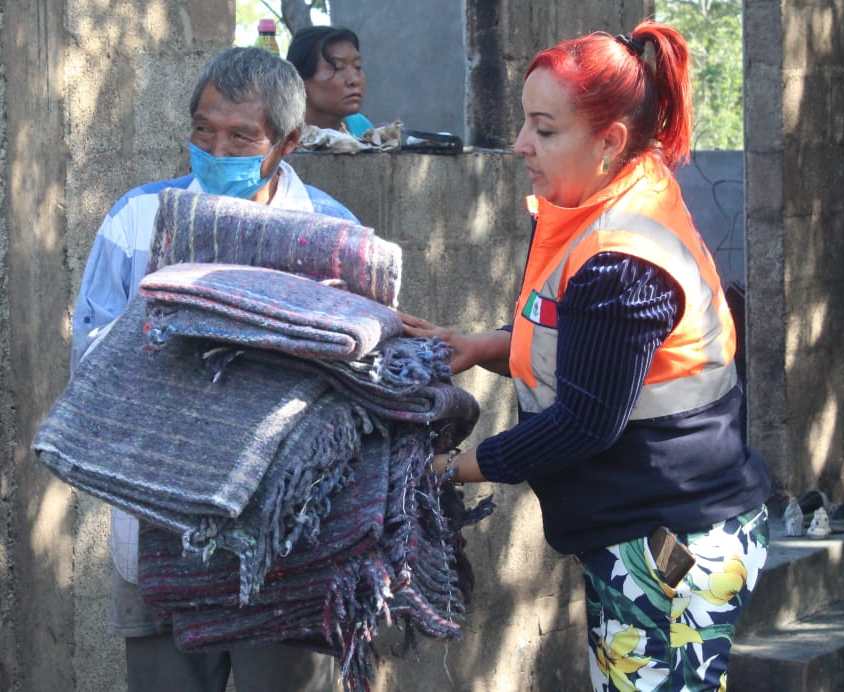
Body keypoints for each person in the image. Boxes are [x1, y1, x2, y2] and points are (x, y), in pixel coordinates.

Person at [402, 21, 771, 692]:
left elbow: (584, 422)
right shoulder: (617, 199)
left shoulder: (621, 262)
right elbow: (582, 347)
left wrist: (448, 469)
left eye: (544, 130)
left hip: (670, 543)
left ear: (609, 142)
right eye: (524, 123)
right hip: (656, 528)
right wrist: (483, 346)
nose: (521, 144)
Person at [71, 46, 356, 692]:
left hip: (286, 539)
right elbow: (90, 367)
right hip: (159, 525)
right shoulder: (137, 219)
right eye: (204, 130)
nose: (216, 150)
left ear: (287, 142)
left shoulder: (331, 233)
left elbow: (354, 387)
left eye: (240, 137)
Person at [286, 26, 374, 137]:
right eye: (337, 67)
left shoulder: (360, 126)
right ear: (299, 80)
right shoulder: (276, 138)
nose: (355, 80)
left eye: (358, 66)